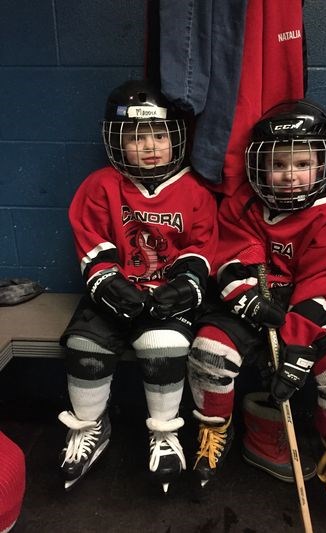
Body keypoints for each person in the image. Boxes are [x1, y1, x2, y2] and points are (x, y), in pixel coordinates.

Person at [187, 99, 326, 504]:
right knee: (209, 352)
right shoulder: (243, 206)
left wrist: (296, 348)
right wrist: (246, 300)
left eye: (302, 164)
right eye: (279, 165)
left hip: (309, 315)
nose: (291, 176)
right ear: (259, 166)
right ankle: (214, 428)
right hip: (252, 305)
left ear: (321, 165)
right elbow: (229, 258)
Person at [57, 79, 218, 493]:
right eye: (136, 137)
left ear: (175, 137)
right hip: (116, 292)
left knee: (162, 345)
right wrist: (109, 284)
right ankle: (90, 426)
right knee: (85, 346)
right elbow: (92, 242)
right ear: (116, 141)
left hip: (165, 295)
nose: (150, 146)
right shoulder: (100, 186)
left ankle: (165, 433)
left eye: (159, 135)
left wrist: (185, 286)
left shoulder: (194, 192)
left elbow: (201, 247)